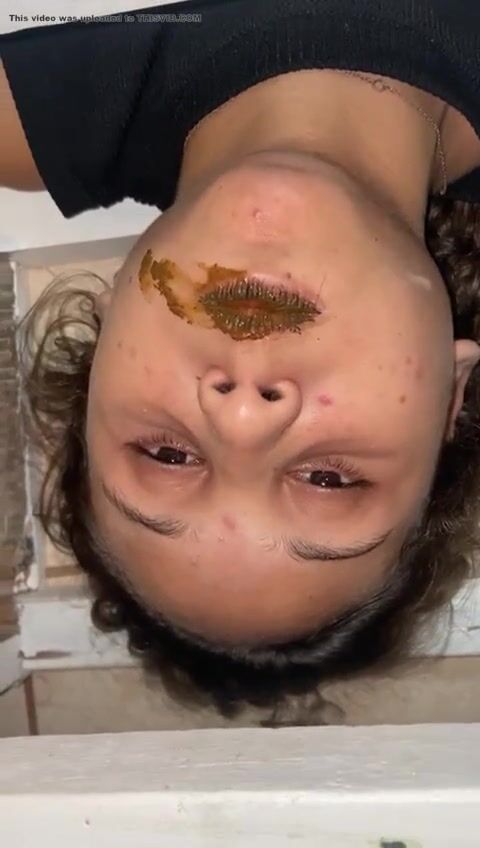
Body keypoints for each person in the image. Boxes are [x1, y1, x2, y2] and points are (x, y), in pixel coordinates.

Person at [1, 1, 480, 722]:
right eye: (327, 479)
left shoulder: (29, 113)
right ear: (452, 398)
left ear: (101, 341)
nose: (243, 415)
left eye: (168, 456)